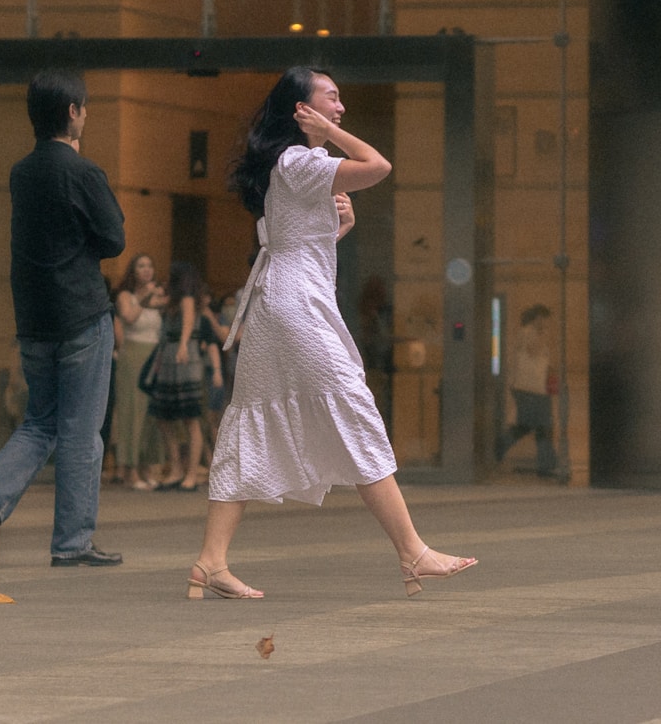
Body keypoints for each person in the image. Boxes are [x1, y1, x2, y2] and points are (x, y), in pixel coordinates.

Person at [189, 66, 475, 600]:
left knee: (250, 420)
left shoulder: (295, 165)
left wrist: (338, 229)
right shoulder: (299, 160)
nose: (340, 107)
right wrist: (328, 132)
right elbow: (379, 165)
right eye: (331, 99)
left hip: (282, 302)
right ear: (303, 109)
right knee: (352, 407)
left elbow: (299, 243)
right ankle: (413, 552)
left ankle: (210, 562)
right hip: (295, 306)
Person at [0, 69, 126, 567]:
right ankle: (72, 544)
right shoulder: (83, 172)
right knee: (80, 433)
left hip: (33, 320)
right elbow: (114, 239)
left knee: (40, 423)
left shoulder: (21, 173)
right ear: (72, 112)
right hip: (81, 315)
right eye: (85, 108)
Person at [147, 261, 215, 492]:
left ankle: (191, 473)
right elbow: (147, 302)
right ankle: (176, 468)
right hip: (169, 356)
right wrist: (156, 291)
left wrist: (184, 344)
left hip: (183, 357)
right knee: (164, 416)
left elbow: (187, 323)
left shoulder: (186, 298)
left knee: (190, 417)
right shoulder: (172, 300)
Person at [111, 254, 163, 489]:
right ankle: (129, 470)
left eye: (150, 265)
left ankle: (146, 467)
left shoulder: (157, 295)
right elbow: (130, 317)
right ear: (133, 271)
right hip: (133, 356)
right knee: (132, 410)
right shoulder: (126, 296)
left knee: (150, 413)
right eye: (141, 265)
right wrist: (145, 297)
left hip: (154, 355)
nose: (146, 270)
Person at [495, 304, 558, 478]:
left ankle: (497, 450)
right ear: (538, 317)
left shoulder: (535, 333)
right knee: (543, 426)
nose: (547, 323)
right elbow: (534, 350)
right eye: (545, 319)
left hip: (536, 388)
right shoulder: (527, 332)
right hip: (528, 388)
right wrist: (544, 334)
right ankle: (547, 465)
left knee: (525, 426)